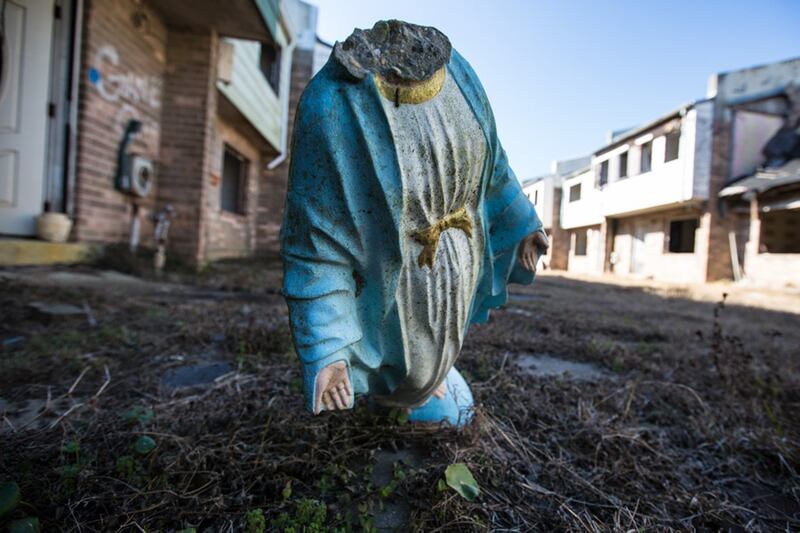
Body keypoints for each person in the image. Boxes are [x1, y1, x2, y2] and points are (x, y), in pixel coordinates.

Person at [281, 20, 548, 425]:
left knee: (443, 342)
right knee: (406, 353)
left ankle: (432, 383)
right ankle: (401, 401)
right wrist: (327, 346)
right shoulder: (332, 104)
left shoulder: (461, 75)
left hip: (461, 256)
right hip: (399, 280)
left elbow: (494, 170)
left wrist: (523, 222)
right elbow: (317, 246)